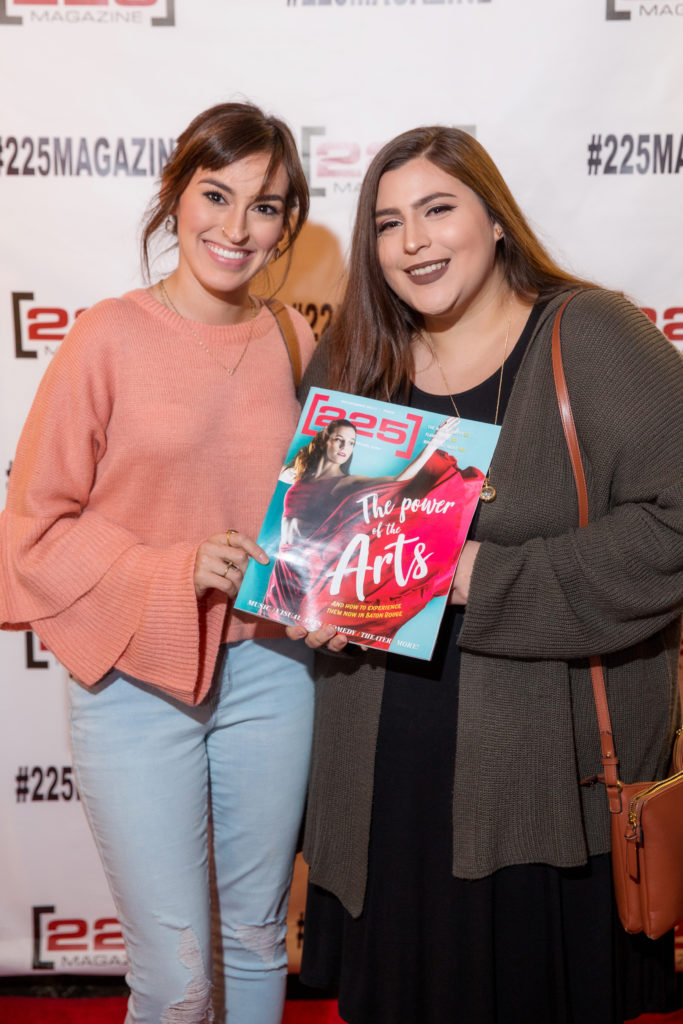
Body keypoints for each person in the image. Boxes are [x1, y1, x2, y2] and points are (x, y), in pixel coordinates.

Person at [290, 126, 683, 1024]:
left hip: (536, 790)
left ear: (496, 220)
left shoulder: (587, 334)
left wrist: (480, 575)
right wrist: (318, 603)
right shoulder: (354, 352)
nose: (413, 242)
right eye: (388, 223)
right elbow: (328, 553)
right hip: (382, 784)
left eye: (437, 210)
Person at [0, 102, 318, 1024]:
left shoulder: (293, 339)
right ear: (175, 195)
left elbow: (318, 514)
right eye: (216, 195)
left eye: (264, 206)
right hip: (133, 683)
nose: (236, 226)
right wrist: (174, 569)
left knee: (258, 939)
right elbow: (31, 531)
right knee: (177, 981)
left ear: (285, 224)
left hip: (273, 672)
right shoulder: (107, 334)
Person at [263, 416, 483, 647]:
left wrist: (432, 445)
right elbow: (267, 470)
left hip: (313, 568)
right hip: (285, 568)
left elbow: (398, 482)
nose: (344, 447)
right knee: (288, 626)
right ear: (323, 441)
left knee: (322, 623)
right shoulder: (298, 474)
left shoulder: (348, 482)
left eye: (351, 442)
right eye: (339, 439)